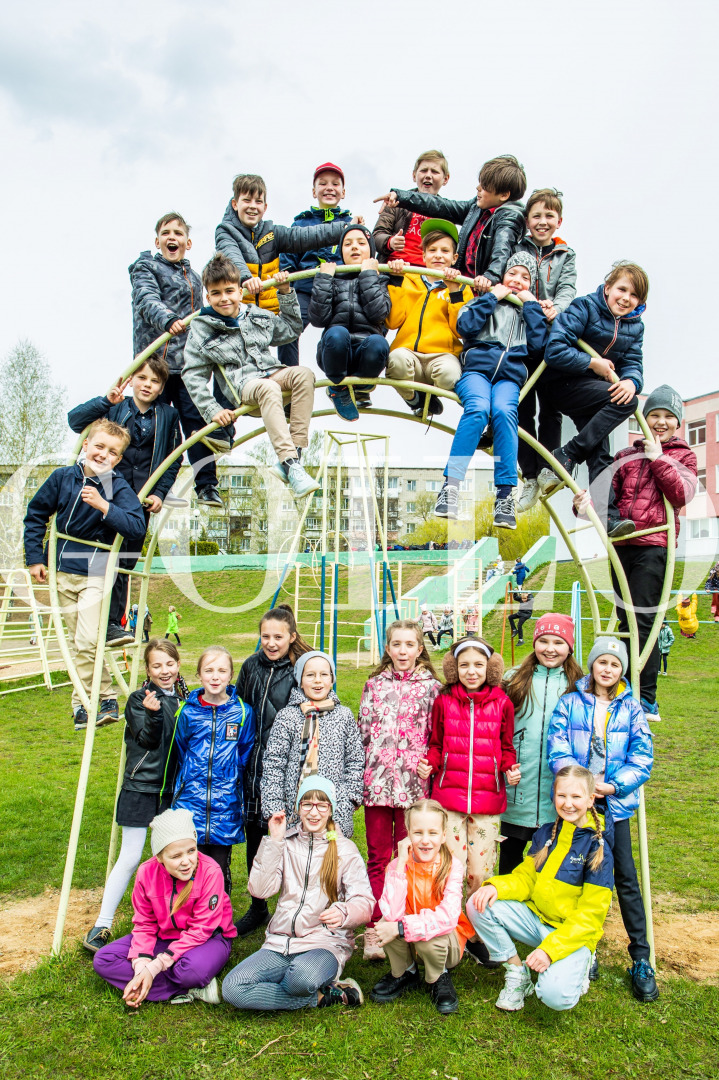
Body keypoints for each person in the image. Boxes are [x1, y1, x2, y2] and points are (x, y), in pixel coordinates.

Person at [573, 385, 696, 720]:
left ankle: (646, 697)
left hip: (653, 547)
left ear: (678, 423)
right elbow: (606, 500)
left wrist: (658, 458)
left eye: (668, 417)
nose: (659, 422)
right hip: (621, 546)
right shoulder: (626, 456)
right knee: (626, 619)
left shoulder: (682, 455)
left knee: (644, 620)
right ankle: (626, 687)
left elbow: (681, 494)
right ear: (641, 418)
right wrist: (583, 507)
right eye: (653, 414)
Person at [548, 635, 658, 1002]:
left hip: (613, 806)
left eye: (615, 664)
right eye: (602, 662)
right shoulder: (570, 703)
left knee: (624, 876)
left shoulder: (632, 709)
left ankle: (641, 957)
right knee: (579, 875)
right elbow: (558, 745)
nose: (607, 669)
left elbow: (642, 756)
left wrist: (611, 787)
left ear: (621, 670)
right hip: (578, 808)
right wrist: (580, 788)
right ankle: (585, 948)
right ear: (591, 665)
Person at [23, 419, 146, 732]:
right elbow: (36, 514)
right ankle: (94, 700)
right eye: (100, 446)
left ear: (119, 459)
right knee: (81, 645)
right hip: (61, 571)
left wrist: (105, 506)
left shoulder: (118, 487)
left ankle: (93, 700)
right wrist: (35, 557)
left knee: (88, 639)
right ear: (86, 446)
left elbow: (136, 526)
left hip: (94, 571)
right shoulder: (63, 478)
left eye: (112, 452)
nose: (104, 454)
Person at [467, 765, 613, 1012]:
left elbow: (590, 918)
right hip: (536, 921)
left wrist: (550, 951)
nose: (568, 803)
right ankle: (517, 973)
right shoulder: (547, 833)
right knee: (478, 904)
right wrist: (496, 887)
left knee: (555, 997)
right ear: (553, 796)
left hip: (570, 935)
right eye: (562, 795)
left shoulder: (597, 850)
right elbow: (526, 879)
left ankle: (581, 964)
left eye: (576, 797)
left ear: (590, 800)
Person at [221, 777, 373, 1011]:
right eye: (307, 804)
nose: (314, 812)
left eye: (321, 805)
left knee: (300, 980)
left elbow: (364, 901)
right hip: (280, 942)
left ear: (330, 809)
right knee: (233, 988)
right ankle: (327, 997)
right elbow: (260, 890)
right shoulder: (286, 844)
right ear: (298, 807)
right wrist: (274, 841)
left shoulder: (345, 850)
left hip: (324, 943)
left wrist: (343, 912)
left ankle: (302, 984)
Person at [181, 254, 319, 499]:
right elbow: (192, 374)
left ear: (239, 291)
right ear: (207, 296)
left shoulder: (255, 314)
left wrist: (285, 292)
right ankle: (288, 463)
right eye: (216, 293)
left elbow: (291, 329)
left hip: (271, 373)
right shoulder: (202, 327)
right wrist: (212, 409)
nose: (224, 298)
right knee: (268, 388)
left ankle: (294, 457)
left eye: (229, 291)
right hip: (244, 386)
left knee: (304, 375)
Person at [67, 356, 182, 646]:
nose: (147, 385)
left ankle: (112, 624)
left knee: (124, 563)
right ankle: (96, 619)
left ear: (161, 387)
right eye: (142, 378)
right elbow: (75, 421)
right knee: (102, 556)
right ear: (131, 379)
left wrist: (160, 492)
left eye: (155, 381)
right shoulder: (115, 406)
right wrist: (105, 401)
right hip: (107, 493)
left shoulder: (167, 416)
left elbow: (173, 458)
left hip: (139, 500)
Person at [83, 640, 188, 952]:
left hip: (170, 792)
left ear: (178, 664)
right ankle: (102, 923)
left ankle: (171, 922)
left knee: (171, 858)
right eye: (157, 666)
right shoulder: (140, 699)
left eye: (169, 664)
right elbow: (147, 740)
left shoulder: (185, 700)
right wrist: (153, 714)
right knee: (130, 856)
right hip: (141, 788)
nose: (164, 671)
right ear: (148, 669)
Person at [433, 253, 549, 528]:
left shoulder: (526, 311)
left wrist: (531, 306)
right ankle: (451, 487)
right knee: (478, 409)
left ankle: (505, 495)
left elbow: (538, 346)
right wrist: (492, 297)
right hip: (476, 372)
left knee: (505, 413)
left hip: (509, 378)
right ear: (503, 276)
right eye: (513, 274)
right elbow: (465, 326)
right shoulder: (486, 299)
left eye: (525, 278)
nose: (517, 281)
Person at [542, 262, 649, 537]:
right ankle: (569, 453)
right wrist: (592, 363)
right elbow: (554, 350)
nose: (626, 298)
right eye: (622, 289)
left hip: (595, 394)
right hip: (562, 383)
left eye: (634, 295)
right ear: (609, 286)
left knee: (600, 451)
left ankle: (607, 515)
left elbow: (633, 363)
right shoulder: (585, 307)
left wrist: (631, 380)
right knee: (627, 402)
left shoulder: (635, 327)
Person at [93, 808, 236, 1006]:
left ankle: (168, 982)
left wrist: (155, 967)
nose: (186, 861)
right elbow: (144, 924)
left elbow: (201, 930)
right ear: (159, 857)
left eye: (191, 851)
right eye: (176, 856)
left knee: (191, 971)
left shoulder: (211, 871)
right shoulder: (146, 872)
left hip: (208, 939)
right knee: (104, 959)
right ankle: (190, 987)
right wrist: (141, 964)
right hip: (165, 937)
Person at [358, 620, 441, 961]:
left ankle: (408, 924)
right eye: (397, 644)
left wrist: (428, 764)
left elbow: (437, 737)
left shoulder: (432, 688)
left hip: (414, 789)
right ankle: (376, 929)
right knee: (379, 857)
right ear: (388, 649)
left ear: (420, 649)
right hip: (377, 786)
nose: (403, 651)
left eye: (410, 645)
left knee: (409, 858)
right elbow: (364, 731)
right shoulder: (373, 685)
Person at [129, 212, 222, 508]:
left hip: (188, 364)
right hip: (157, 365)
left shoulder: (195, 278)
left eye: (178, 233)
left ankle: (206, 484)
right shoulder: (146, 267)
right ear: (158, 241)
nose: (172, 238)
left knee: (197, 423)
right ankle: (157, 486)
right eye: (166, 233)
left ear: (188, 243)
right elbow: (146, 300)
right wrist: (168, 319)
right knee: (161, 426)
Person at [234, 604, 312, 936]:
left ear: (291, 636)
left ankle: (290, 906)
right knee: (256, 837)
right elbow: (236, 706)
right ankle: (258, 906)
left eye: (278, 636)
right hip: (253, 764)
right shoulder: (251, 665)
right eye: (265, 636)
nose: (271, 642)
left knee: (287, 838)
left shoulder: (299, 668)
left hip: (285, 768)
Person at [419, 638, 518, 895]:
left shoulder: (502, 703)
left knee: (481, 870)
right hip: (449, 799)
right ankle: (452, 926)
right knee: (452, 867)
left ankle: (476, 927)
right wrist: (430, 763)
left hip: (488, 800)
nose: (471, 671)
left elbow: (506, 747)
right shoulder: (444, 701)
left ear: (490, 668)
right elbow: (436, 744)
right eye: (464, 665)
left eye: (478, 664)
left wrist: (509, 768)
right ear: (454, 668)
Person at [370, 799, 477, 1014]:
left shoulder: (452, 867)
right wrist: (400, 865)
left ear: (443, 835)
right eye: (418, 833)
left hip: (446, 942)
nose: (425, 841)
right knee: (385, 922)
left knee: (429, 938)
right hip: (412, 939)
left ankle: (438, 976)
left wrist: (401, 928)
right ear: (407, 833)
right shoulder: (397, 865)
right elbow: (391, 913)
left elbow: (447, 918)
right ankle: (405, 972)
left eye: (433, 833)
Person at [501, 615, 583, 872]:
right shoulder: (514, 679)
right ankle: (504, 911)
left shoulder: (579, 685)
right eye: (543, 641)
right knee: (509, 860)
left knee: (548, 864)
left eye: (558, 642)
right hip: (517, 788)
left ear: (569, 647)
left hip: (556, 792)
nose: (550, 648)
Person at [512, 189, 578, 511]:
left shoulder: (566, 255)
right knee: (523, 407)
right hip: (522, 332)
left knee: (551, 406)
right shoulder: (518, 246)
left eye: (549, 216)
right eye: (536, 215)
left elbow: (567, 287)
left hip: (551, 333)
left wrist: (558, 306)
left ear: (559, 221)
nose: (542, 221)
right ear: (528, 220)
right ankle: (529, 475)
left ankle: (549, 468)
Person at [172, 645, 255, 896]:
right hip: (191, 804)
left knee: (218, 868)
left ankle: (219, 925)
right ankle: (188, 921)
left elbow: (245, 752)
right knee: (189, 867)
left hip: (225, 805)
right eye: (209, 670)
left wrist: (230, 780)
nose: (215, 676)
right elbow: (180, 750)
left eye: (221, 670)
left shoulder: (242, 712)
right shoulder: (186, 712)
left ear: (231, 675)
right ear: (199, 675)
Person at [375, 154, 527, 286]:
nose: (478, 188)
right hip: (461, 283)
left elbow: (502, 250)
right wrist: (401, 196)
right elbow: (440, 205)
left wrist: (490, 277)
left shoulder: (509, 218)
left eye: (485, 186)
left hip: (481, 287)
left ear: (503, 195)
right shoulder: (476, 208)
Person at [260, 650, 364, 838]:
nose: (318, 680)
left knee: (330, 862)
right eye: (310, 675)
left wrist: (348, 800)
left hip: (334, 810)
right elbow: (274, 764)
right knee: (294, 862)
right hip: (293, 812)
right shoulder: (287, 717)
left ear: (332, 679)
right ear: (300, 680)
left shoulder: (343, 716)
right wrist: (275, 807)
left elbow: (355, 760)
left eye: (324, 674)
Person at [215, 172, 351, 314]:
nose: (253, 206)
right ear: (235, 204)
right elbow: (232, 254)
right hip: (241, 315)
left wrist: (344, 229)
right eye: (247, 200)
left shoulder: (272, 233)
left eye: (258, 201)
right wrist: (246, 278)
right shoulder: (225, 231)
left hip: (270, 315)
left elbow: (304, 236)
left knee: (291, 325)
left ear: (265, 207)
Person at [384, 219, 472, 417]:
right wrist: (397, 280)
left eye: (444, 251)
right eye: (432, 250)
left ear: (454, 257)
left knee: (450, 374)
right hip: (409, 353)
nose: (438, 255)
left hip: (441, 355)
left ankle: (442, 395)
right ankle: (416, 399)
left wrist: (453, 290)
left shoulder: (462, 287)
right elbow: (392, 321)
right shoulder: (410, 280)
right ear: (423, 255)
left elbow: (460, 330)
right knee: (395, 361)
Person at [309, 224, 391, 421]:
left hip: (365, 347)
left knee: (379, 344)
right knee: (338, 333)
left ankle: (361, 386)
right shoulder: (333, 277)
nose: (354, 247)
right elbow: (318, 319)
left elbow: (379, 314)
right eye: (348, 244)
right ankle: (339, 387)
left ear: (371, 250)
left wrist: (368, 275)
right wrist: (323, 279)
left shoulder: (379, 278)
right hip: (335, 350)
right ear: (341, 251)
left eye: (361, 243)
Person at [278, 163, 354, 367]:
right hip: (305, 289)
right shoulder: (300, 224)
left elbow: (356, 255)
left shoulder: (351, 224)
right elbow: (288, 253)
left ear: (343, 192)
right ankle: (289, 376)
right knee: (288, 327)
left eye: (335, 184)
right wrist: (287, 280)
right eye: (323, 183)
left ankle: (341, 382)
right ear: (314, 191)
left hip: (336, 288)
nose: (329, 187)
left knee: (345, 332)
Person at [373, 149, 451, 264]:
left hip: (429, 274)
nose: (428, 175)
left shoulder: (447, 212)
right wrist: (390, 242)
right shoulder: (396, 203)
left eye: (434, 172)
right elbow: (376, 236)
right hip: (395, 269)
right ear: (414, 176)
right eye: (424, 171)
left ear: (445, 179)